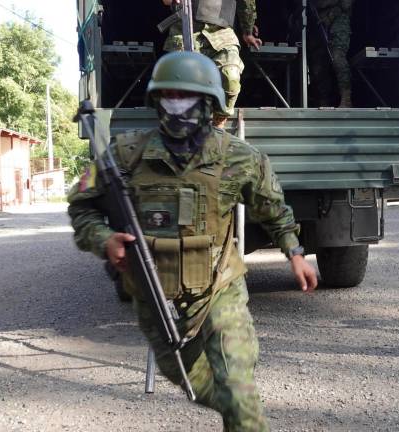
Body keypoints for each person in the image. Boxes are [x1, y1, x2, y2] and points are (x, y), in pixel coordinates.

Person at [67, 51, 318, 430]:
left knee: (238, 388)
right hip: (155, 297)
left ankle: (242, 414)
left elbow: (273, 210)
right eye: (167, 95)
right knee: (192, 383)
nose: (176, 104)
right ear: (155, 101)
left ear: (209, 102)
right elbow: (82, 206)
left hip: (219, 291)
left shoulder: (240, 158)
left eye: (185, 95)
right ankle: (239, 412)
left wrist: (295, 253)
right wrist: (104, 240)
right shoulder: (124, 155)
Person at [162, 0, 262, 128]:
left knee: (231, 75)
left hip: (221, 32)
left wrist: (247, 32)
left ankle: (219, 120)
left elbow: (246, 3)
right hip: (185, 29)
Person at [310, 0, 353, 107]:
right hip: (319, 22)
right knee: (318, 65)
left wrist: (331, 15)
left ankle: (346, 98)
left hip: (338, 19)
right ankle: (324, 101)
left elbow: (346, 3)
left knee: (338, 58)